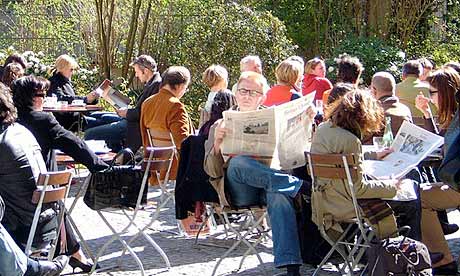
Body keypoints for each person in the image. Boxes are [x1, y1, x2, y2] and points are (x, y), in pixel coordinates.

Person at [204, 71, 316, 276]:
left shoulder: (275, 119)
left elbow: (298, 152)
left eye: (253, 93)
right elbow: (211, 171)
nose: (247, 96)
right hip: (239, 190)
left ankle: (291, 266)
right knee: (238, 163)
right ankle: (299, 186)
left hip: (270, 183)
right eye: (243, 91)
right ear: (236, 93)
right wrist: (218, 144)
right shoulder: (220, 123)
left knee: (279, 196)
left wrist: (307, 124)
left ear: (263, 97)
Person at [10, 76, 105, 272]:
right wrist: (99, 166)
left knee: (52, 198)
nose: (44, 98)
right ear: (31, 98)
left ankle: (75, 253)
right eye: (41, 95)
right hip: (38, 195)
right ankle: (74, 253)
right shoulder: (42, 120)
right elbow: (74, 144)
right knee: (52, 197)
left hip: (10, 198)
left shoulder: (9, 123)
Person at [311, 89, 421, 240]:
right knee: (411, 201)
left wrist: (373, 155)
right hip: (348, 205)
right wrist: (391, 186)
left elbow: (338, 159)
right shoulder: (351, 140)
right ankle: (408, 251)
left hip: (326, 201)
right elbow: (359, 190)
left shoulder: (323, 129)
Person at [0, 87, 68, 276]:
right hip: (48, 222)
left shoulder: (3, 142)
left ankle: (27, 268)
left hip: (23, 226)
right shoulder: (21, 131)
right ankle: (29, 267)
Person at [415, 67, 460, 274]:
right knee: (418, 193)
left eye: (432, 93)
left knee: (418, 196)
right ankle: (442, 260)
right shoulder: (454, 116)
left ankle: (443, 262)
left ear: (445, 92)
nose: (430, 98)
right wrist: (426, 114)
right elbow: (440, 143)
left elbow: (443, 146)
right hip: (453, 181)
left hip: (456, 184)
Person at [85, 55, 162, 152]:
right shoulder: (152, 83)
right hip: (133, 121)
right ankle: (115, 154)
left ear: (145, 71)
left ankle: (111, 157)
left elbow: (146, 114)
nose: (136, 76)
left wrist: (127, 113)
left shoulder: (156, 85)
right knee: (102, 117)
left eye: (137, 72)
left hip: (135, 127)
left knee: (89, 134)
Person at [140, 66, 193, 182]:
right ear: (179, 86)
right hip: (174, 167)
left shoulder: (147, 103)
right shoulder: (176, 106)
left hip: (154, 164)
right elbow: (183, 144)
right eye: (185, 88)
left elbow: (145, 138)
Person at [47, 54, 99, 130]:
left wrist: (92, 99)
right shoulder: (54, 82)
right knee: (106, 122)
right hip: (70, 121)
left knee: (107, 117)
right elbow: (61, 98)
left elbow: (72, 99)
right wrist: (85, 99)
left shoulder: (65, 81)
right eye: (71, 69)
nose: (73, 72)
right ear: (62, 68)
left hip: (78, 116)